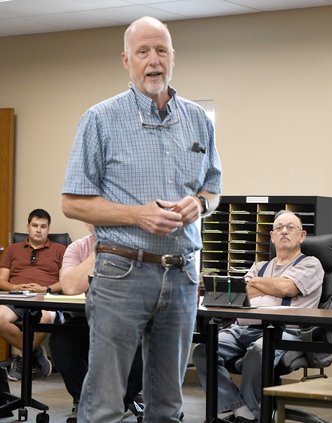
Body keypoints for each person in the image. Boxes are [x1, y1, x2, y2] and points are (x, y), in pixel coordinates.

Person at [61, 16, 222, 423]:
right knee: (104, 405)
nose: (154, 61)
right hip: (121, 274)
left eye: (161, 50)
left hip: (183, 276)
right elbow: (72, 203)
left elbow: (213, 188)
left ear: (173, 57)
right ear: (126, 60)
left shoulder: (199, 119)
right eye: (143, 52)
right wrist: (137, 215)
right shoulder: (100, 119)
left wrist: (199, 205)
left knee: (169, 406)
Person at [192, 210, 325, 423]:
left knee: (260, 350)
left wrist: (256, 284)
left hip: (286, 333)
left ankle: (254, 415)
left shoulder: (311, 264)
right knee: (203, 350)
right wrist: (261, 286)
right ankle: (239, 408)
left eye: (291, 227)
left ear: (302, 235)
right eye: (279, 227)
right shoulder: (259, 266)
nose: (284, 231)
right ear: (271, 236)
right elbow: (242, 293)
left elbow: (286, 288)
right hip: (243, 329)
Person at [49, 224, 143, 423]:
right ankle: (84, 399)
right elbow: (71, 287)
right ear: (86, 222)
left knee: (144, 345)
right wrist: (102, 249)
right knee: (61, 340)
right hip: (87, 318)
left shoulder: (135, 244)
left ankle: (120, 402)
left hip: (126, 319)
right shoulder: (77, 248)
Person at [0, 208, 66, 382]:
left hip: (47, 299)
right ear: (28, 227)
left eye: (43, 226)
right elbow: (1, 280)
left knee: (45, 317)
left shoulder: (60, 249)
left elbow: (67, 281)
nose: (38, 229)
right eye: (35, 225)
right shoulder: (13, 249)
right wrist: (14, 286)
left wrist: (45, 289)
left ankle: (23, 359)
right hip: (17, 297)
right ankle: (34, 352)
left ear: (48, 229)